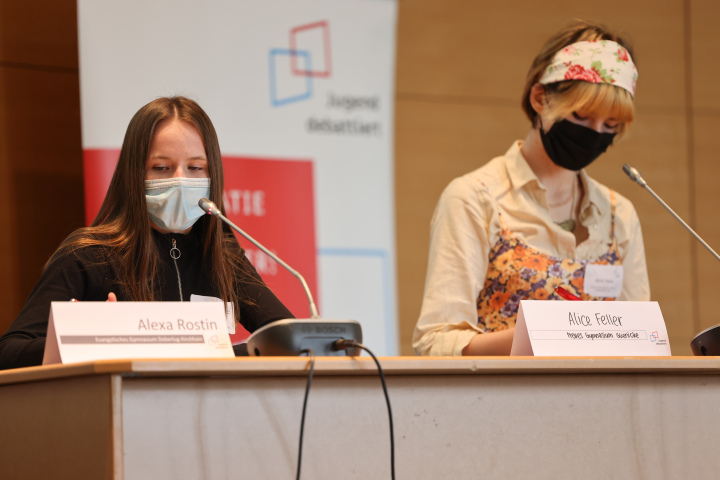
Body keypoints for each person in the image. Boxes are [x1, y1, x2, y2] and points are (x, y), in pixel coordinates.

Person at [0, 96, 293, 369]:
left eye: (195, 167)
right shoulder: (88, 254)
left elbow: (290, 342)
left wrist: (212, 355)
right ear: (134, 173)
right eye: (162, 167)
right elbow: (10, 351)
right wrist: (85, 340)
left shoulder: (223, 256)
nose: (180, 180)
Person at [413, 21, 650, 357]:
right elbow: (435, 342)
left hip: (600, 407)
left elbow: (638, 344)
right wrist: (548, 334)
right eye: (582, 116)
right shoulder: (475, 198)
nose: (595, 133)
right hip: (501, 405)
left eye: (610, 125)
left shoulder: (619, 214)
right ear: (540, 98)